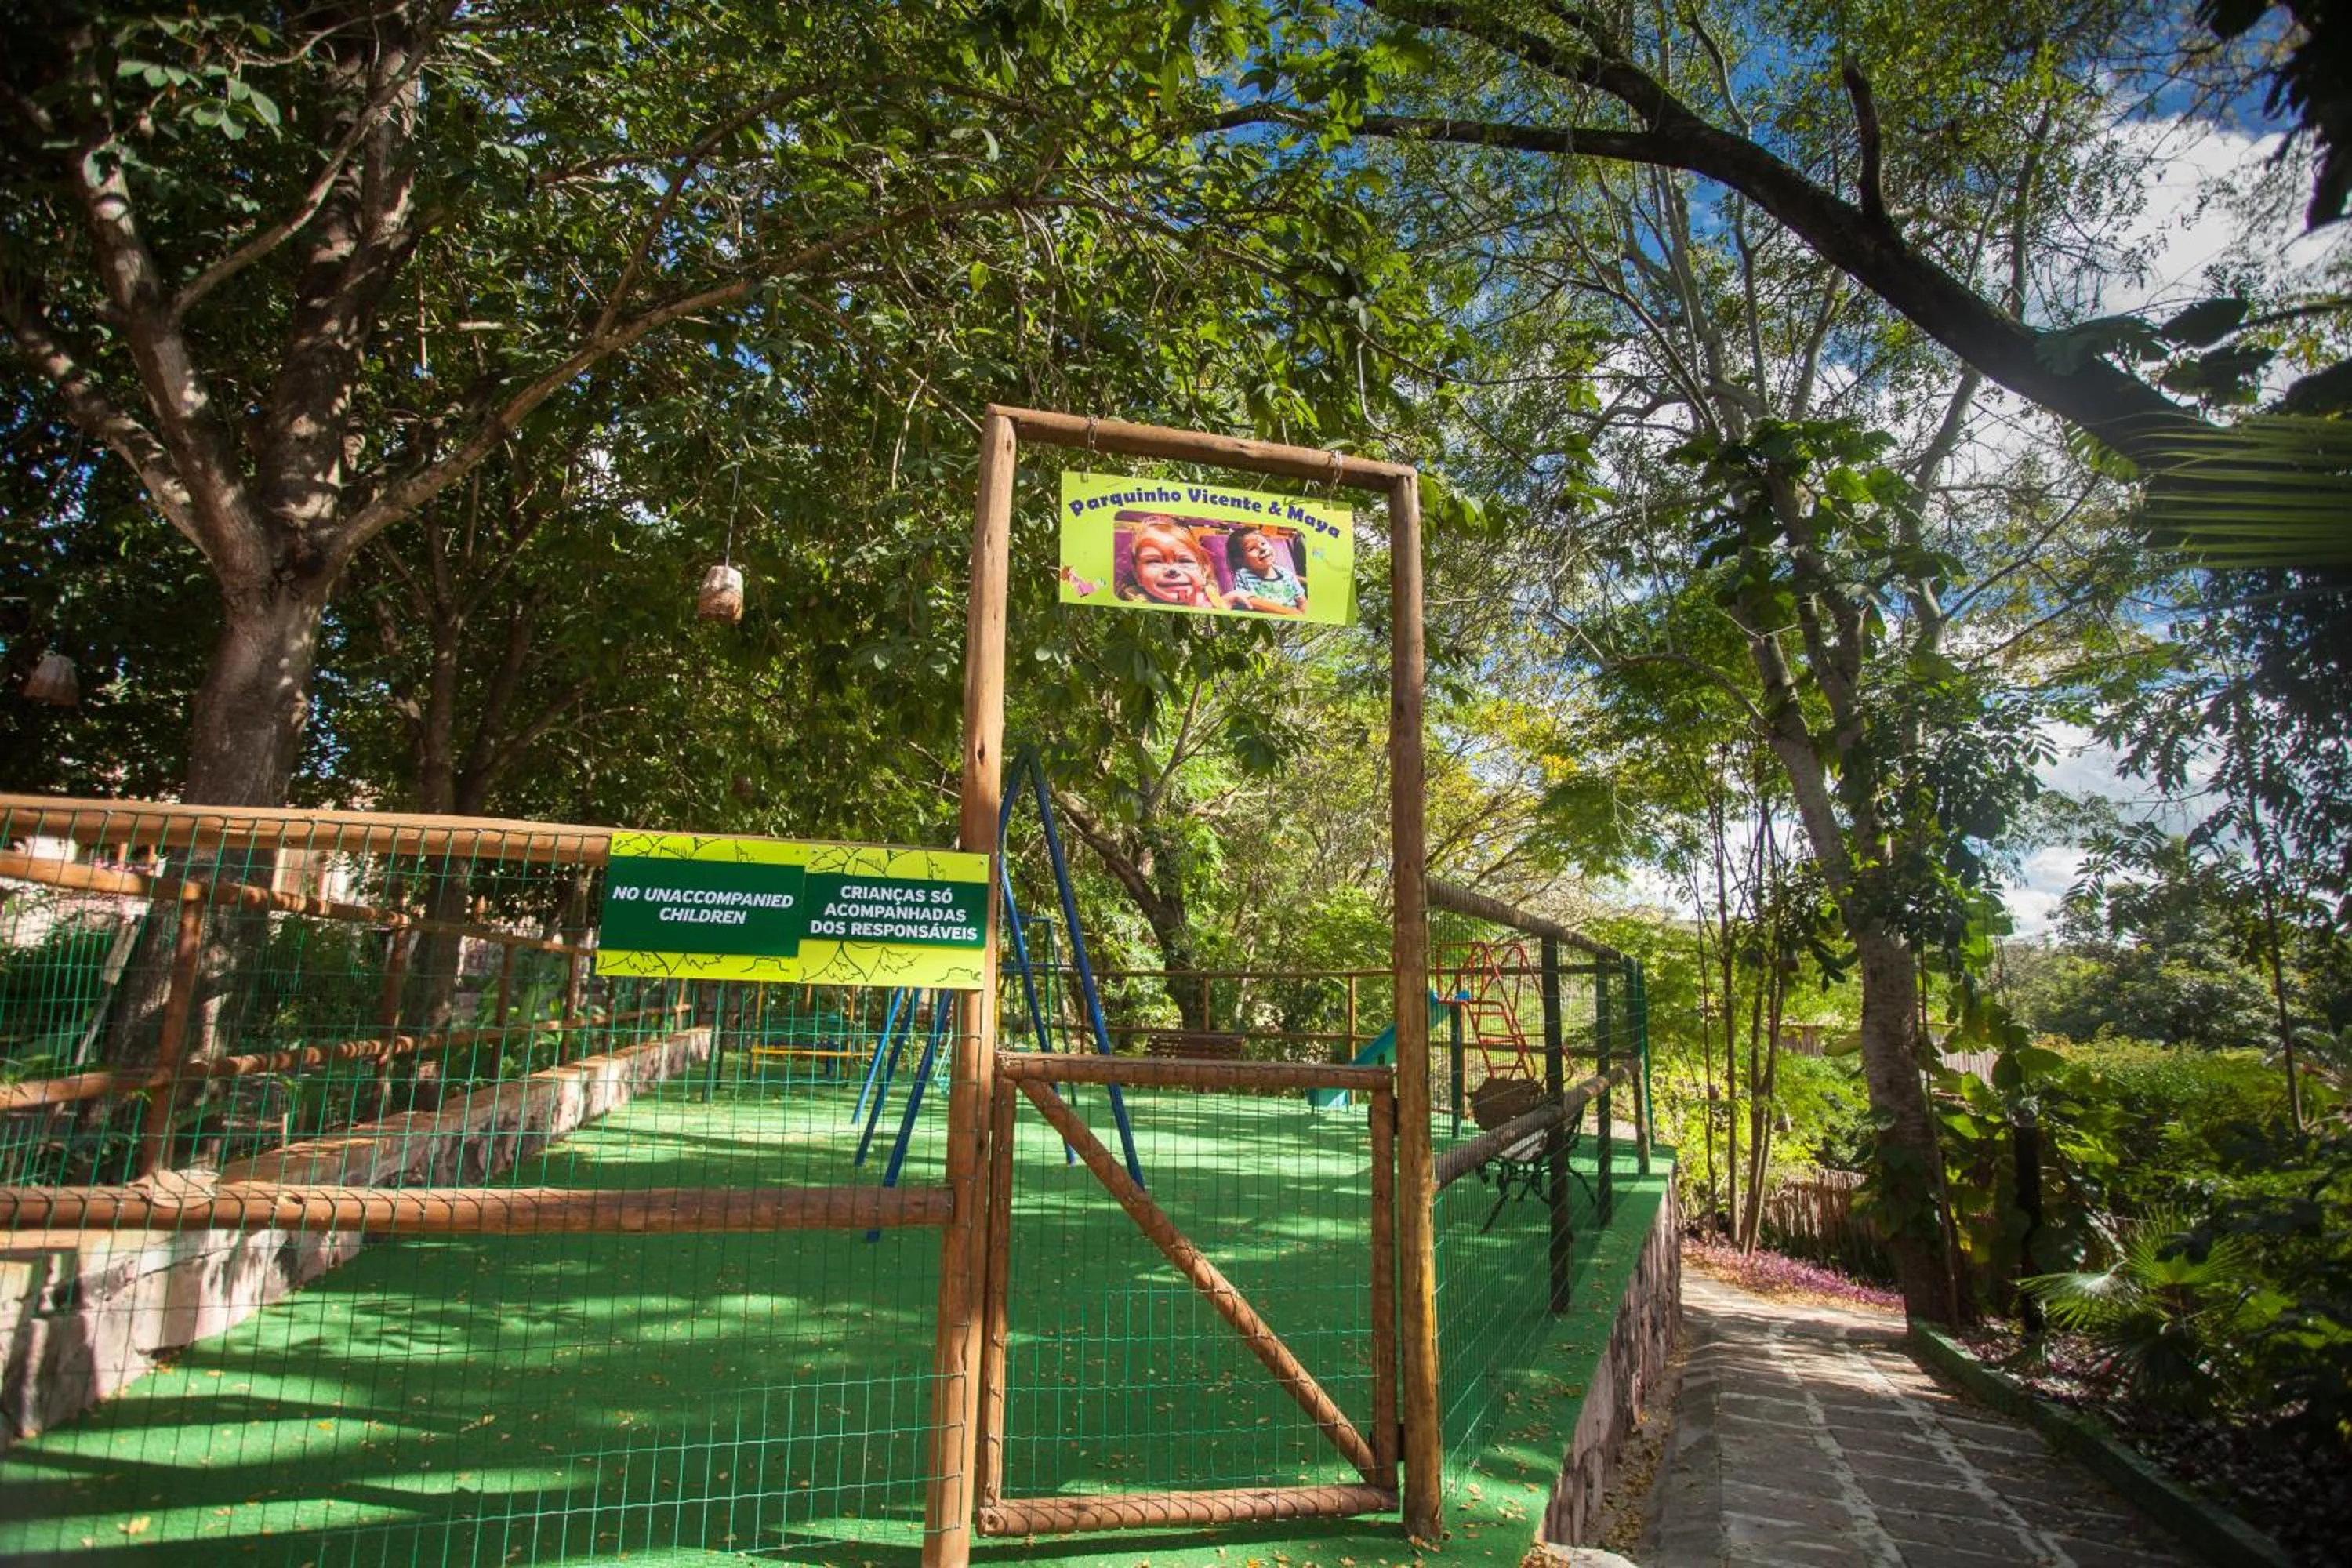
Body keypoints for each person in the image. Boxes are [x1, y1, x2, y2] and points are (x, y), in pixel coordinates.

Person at [1116, 516, 1230, 609]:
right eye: (1155, 561)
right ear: (1137, 575)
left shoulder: (1217, 604)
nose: (1172, 571)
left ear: (1204, 570)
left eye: (1185, 561)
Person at [1225, 527, 1308, 615]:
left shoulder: (1287, 574)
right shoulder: (1243, 575)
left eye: (1263, 543)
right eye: (1252, 548)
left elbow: (1302, 602)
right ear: (1241, 560)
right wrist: (1290, 612)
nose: (1262, 549)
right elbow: (1248, 600)